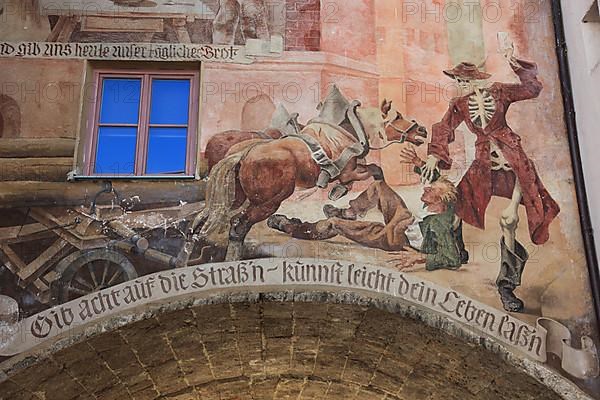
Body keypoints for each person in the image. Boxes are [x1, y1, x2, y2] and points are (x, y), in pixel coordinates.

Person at [420, 43, 560, 312]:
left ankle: (507, 284)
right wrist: (433, 156)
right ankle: (456, 252)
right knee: (455, 202)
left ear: (473, 80)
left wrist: (514, 62)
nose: (459, 84)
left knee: (509, 222)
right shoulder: (459, 103)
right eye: (456, 80)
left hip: (511, 158)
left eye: (462, 80)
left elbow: (532, 89)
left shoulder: (499, 92)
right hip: (483, 162)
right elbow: (443, 128)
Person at [267, 147, 467, 271]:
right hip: (406, 220)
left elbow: (453, 259)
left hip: (397, 236)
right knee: (379, 186)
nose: (426, 187)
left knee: (335, 225)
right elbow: (437, 179)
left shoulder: (440, 224)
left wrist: (419, 257)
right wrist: (418, 163)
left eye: (430, 190)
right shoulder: (446, 200)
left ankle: (293, 227)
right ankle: (349, 212)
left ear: (438, 199)